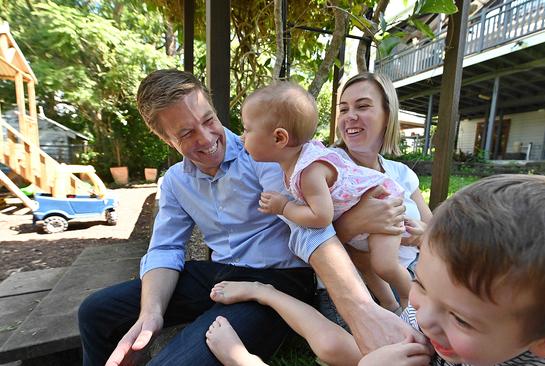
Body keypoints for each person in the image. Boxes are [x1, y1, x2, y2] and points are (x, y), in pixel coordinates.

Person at [77, 69, 423, 366]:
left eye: (208, 119)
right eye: (185, 133)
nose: (207, 138)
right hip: (219, 273)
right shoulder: (177, 182)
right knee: (95, 311)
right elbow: (165, 250)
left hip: (279, 278)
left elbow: (307, 229)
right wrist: (152, 311)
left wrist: (359, 308)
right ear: (165, 138)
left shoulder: (265, 152)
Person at [319, 72, 545, 365]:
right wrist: (355, 225)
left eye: (362, 106)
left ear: (387, 114)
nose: (350, 116)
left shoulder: (401, 173)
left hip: (429, 272)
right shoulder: (323, 168)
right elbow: (305, 237)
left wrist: (419, 235)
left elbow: (435, 231)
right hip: (376, 281)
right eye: (344, 108)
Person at [205, 174, 545, 366]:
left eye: (461, 317)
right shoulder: (432, 324)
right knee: (339, 349)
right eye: (421, 283)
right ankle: (266, 292)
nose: (423, 317)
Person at [240, 81, 412, 311]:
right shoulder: (296, 162)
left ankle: (411, 301)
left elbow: (321, 217)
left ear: (280, 138)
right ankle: (391, 306)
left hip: (382, 199)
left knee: (384, 264)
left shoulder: (309, 171)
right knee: (365, 261)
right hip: (363, 216)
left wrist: (284, 207)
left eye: (247, 129)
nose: (242, 137)